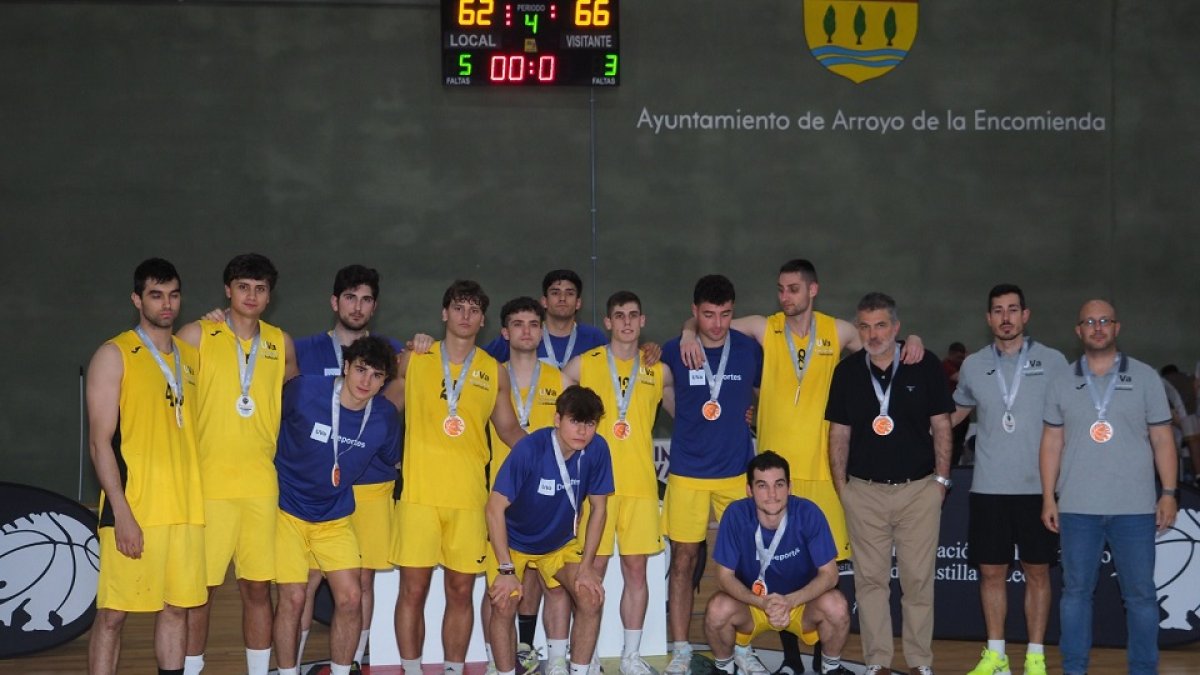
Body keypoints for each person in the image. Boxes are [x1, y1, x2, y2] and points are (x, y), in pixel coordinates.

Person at [678, 259, 922, 675]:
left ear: (813, 290)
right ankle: (792, 661)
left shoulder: (838, 331)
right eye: (780, 289)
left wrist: (911, 339)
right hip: (777, 477)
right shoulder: (764, 327)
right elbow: (708, 319)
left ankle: (823, 662)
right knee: (777, 562)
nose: (785, 296)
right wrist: (687, 332)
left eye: (793, 289)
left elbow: (880, 343)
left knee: (825, 566)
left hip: (823, 470)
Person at [390, 279, 527, 675]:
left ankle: (452, 669)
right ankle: (411, 670)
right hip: (418, 497)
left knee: (461, 591)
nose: (466, 315)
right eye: (458, 307)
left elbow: (509, 430)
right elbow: (379, 406)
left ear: (483, 320)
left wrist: (552, 453)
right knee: (413, 590)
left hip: (468, 500)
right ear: (444, 313)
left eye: (474, 310)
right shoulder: (415, 358)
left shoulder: (493, 371)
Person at [1039, 299, 1178, 675]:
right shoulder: (1062, 380)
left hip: (1135, 508)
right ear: (1078, 331)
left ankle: (1144, 670)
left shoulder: (1146, 377)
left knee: (1141, 597)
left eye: (1104, 321)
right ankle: (1074, 669)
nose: (1097, 327)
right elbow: (1051, 442)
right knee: (1075, 594)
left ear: (1117, 327)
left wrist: (1168, 493)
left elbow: (1163, 439)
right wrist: (1048, 496)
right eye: (1089, 322)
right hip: (1077, 507)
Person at [86, 258, 206, 675]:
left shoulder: (190, 357)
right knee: (113, 614)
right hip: (136, 506)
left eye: (173, 295)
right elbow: (100, 442)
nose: (166, 304)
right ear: (137, 299)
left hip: (186, 509)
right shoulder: (114, 354)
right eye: (156, 295)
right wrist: (121, 512)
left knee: (176, 609)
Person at [179, 253, 298, 675]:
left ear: (270, 296)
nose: (251, 295)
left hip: (260, 487)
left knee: (258, 590)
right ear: (227, 290)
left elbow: (295, 407)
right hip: (209, 486)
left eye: (260, 289)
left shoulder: (281, 343)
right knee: (199, 592)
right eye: (243, 287)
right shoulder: (196, 334)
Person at [825, 292, 954, 675]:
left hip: (919, 491)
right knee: (870, 583)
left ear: (896, 327)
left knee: (918, 581)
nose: (873, 334)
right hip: (864, 493)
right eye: (865, 326)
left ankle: (919, 662)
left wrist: (941, 481)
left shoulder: (923, 364)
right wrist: (843, 489)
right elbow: (838, 434)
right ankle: (877, 661)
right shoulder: (847, 372)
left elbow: (942, 425)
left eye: (881, 325)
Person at [292, 265, 406, 668]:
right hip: (318, 489)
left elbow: (394, 405)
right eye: (350, 297)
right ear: (334, 301)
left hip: (371, 486)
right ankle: (295, 663)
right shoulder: (303, 349)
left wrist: (423, 345)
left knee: (362, 581)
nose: (358, 306)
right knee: (305, 582)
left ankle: (355, 662)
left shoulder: (395, 352)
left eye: (366, 299)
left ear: (375, 306)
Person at [950, 284, 1067, 675]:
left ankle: (1035, 656)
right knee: (991, 573)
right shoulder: (973, 364)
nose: (1006, 318)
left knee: (1038, 572)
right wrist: (912, 428)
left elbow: (1072, 417)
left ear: (1025, 315)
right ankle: (996, 655)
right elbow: (955, 412)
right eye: (998, 311)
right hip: (989, 487)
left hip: (1038, 488)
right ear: (989, 319)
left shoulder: (1054, 361)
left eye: (1013, 309)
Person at [272, 337, 402, 675]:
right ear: (346, 366)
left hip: (334, 517)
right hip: (287, 512)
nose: (365, 381)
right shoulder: (304, 391)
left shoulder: (384, 417)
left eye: (376, 375)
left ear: (384, 382)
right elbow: (268, 425)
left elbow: (391, 460)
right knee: (294, 598)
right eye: (360, 369)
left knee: (351, 598)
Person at [562, 291, 673, 675]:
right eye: (619, 316)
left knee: (636, 572)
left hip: (640, 486)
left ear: (643, 321)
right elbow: (554, 406)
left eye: (633, 315)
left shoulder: (659, 370)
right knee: (589, 571)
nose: (626, 322)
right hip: (596, 490)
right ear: (608, 322)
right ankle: (587, 654)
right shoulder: (583, 364)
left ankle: (630, 655)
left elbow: (688, 412)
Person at [659, 274, 763, 675]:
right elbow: (661, 391)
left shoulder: (749, 350)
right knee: (683, 561)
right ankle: (681, 648)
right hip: (687, 472)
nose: (717, 324)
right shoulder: (675, 350)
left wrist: (753, 416)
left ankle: (743, 646)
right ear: (694, 312)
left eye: (725, 314)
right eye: (707, 315)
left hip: (735, 472)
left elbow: (766, 394)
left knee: (744, 562)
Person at [485, 385, 614, 675]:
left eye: (590, 423)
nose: (582, 431)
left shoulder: (597, 449)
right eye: (575, 421)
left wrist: (587, 567)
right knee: (504, 603)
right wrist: (506, 569)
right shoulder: (530, 449)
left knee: (590, 596)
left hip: (559, 545)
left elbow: (599, 509)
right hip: (513, 542)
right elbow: (493, 509)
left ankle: (579, 672)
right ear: (557, 419)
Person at [704, 452, 852, 675]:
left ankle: (831, 668)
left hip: (800, 605)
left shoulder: (808, 513)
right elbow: (723, 577)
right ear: (749, 490)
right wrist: (761, 602)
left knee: (837, 605)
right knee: (717, 608)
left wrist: (790, 601)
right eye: (762, 486)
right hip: (753, 605)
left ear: (789, 487)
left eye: (779, 484)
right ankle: (724, 669)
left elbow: (830, 574)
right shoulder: (736, 515)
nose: (772, 494)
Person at [484, 297, 569, 675]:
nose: (526, 331)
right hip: (500, 493)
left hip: (546, 493)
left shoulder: (559, 378)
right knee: (499, 583)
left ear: (542, 331)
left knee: (539, 575)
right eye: (518, 324)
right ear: (505, 332)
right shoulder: (488, 375)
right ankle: (495, 659)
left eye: (534, 324)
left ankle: (525, 647)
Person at [483, 269, 608, 366]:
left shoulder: (594, 338)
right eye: (555, 293)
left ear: (578, 303)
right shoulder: (521, 335)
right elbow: (481, 365)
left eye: (570, 293)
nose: (562, 298)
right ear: (544, 301)